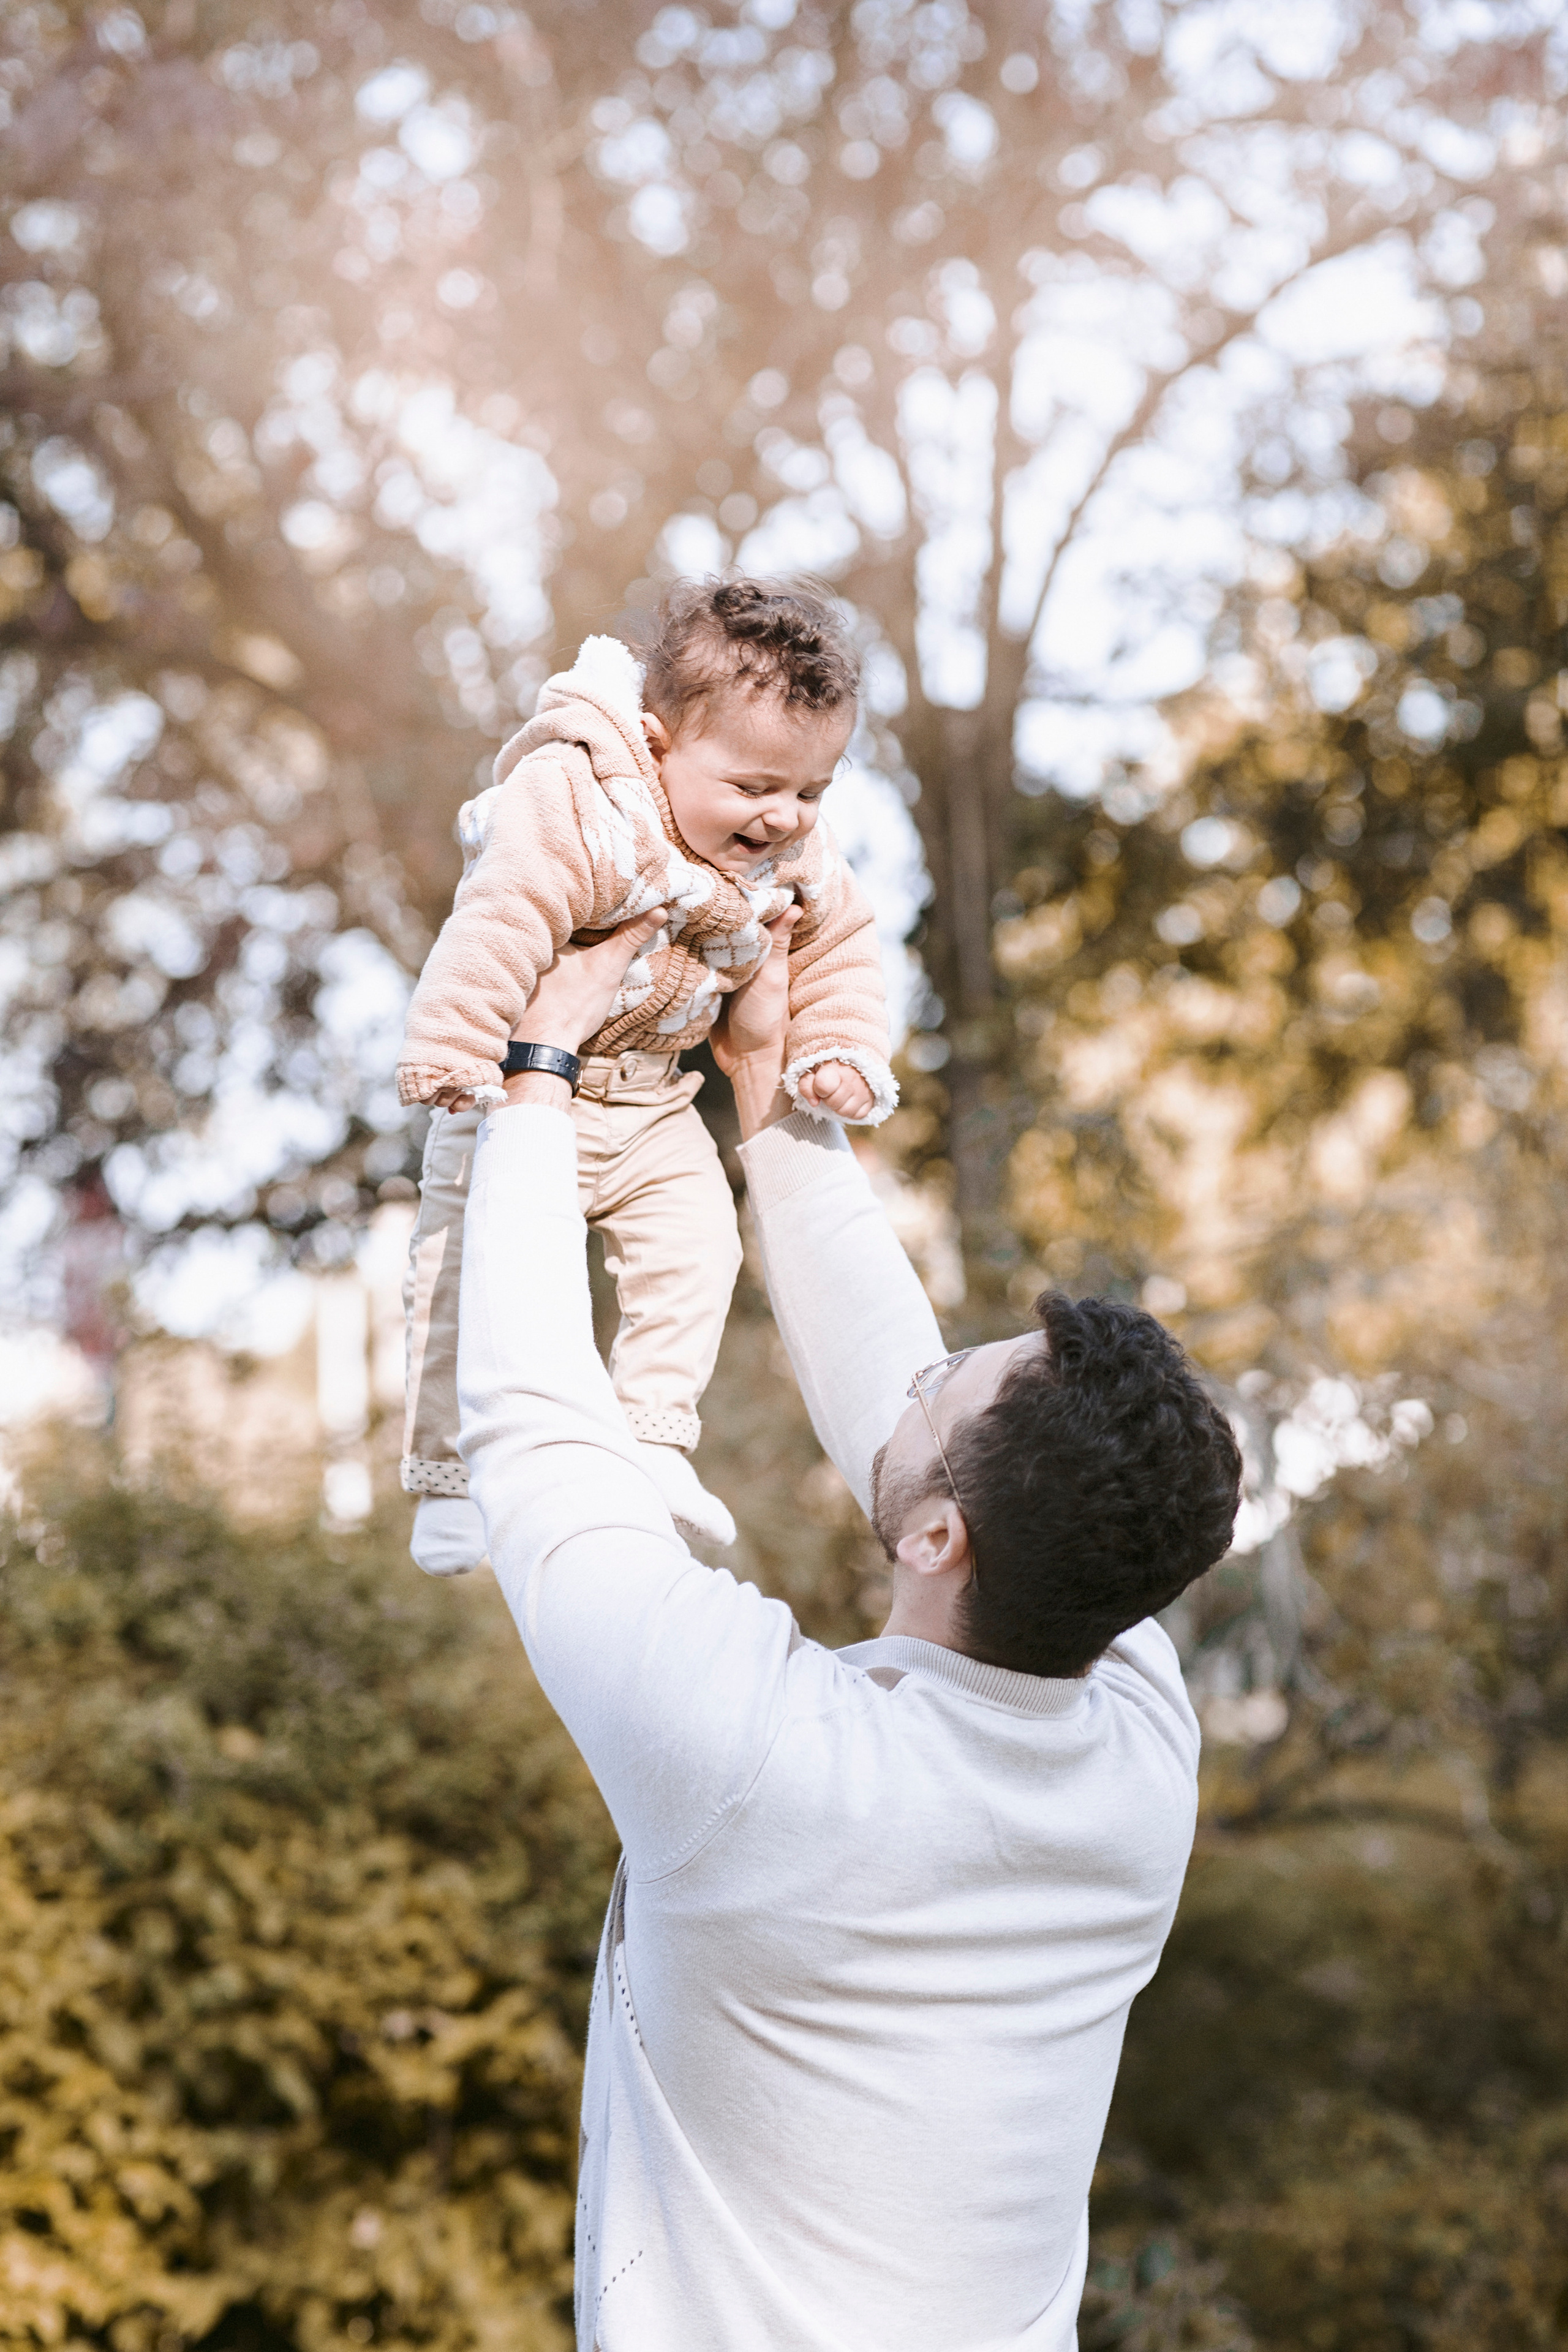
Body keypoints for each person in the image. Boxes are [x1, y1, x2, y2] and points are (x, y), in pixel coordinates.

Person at [456, 911, 1242, 2352]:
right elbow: (917, 1415)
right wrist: (765, 1100)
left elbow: (532, 1433)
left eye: (947, 1382)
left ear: (940, 1540)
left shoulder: (761, 1764)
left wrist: (533, 1076)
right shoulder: (1132, 1733)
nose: (917, 1376)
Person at [396, 577, 897, 1574]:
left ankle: (654, 1437)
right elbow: (502, 916)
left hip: (655, 1099)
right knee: (453, 1277)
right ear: (661, 744)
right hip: (513, 1092)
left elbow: (843, 946)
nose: (785, 818)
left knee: (700, 1245)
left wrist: (838, 1050)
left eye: (811, 791)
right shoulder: (584, 801)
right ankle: (447, 1485)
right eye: (755, 789)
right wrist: (455, 1043)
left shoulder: (792, 852)